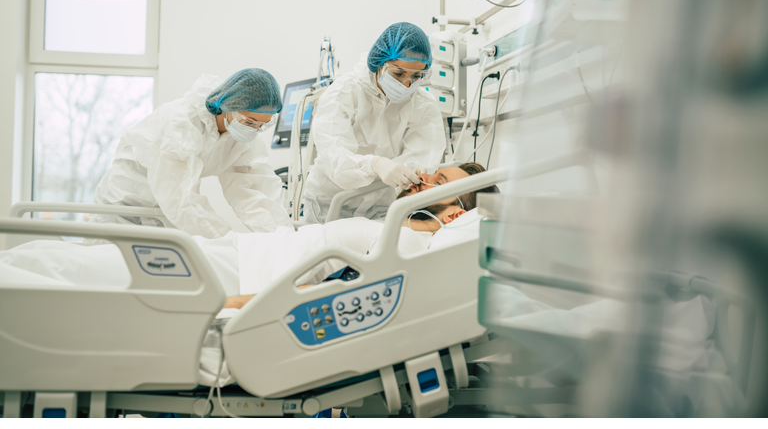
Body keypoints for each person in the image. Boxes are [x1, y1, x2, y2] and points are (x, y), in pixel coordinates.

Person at [2, 163, 497, 307]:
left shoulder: (409, 243)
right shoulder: (393, 224)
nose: (426, 177)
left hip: (236, 275)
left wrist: (237, 305)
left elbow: (335, 292)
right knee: (58, 257)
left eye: (440, 183)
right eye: (435, 171)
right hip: (234, 253)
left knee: (81, 272)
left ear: (455, 214)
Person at [90, 69, 292, 238]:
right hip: (124, 207)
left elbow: (253, 193)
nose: (254, 129)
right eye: (249, 121)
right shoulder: (181, 123)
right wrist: (227, 242)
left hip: (164, 215)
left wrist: (283, 237)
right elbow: (181, 198)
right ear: (228, 107)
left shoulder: (242, 140)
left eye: (263, 125)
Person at [302, 22, 447, 224]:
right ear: (379, 63)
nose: (407, 85)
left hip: (382, 207)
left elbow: (424, 155)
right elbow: (334, 159)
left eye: (416, 76)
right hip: (329, 205)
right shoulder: (343, 92)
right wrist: (374, 164)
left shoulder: (423, 104)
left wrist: (411, 171)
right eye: (398, 74)